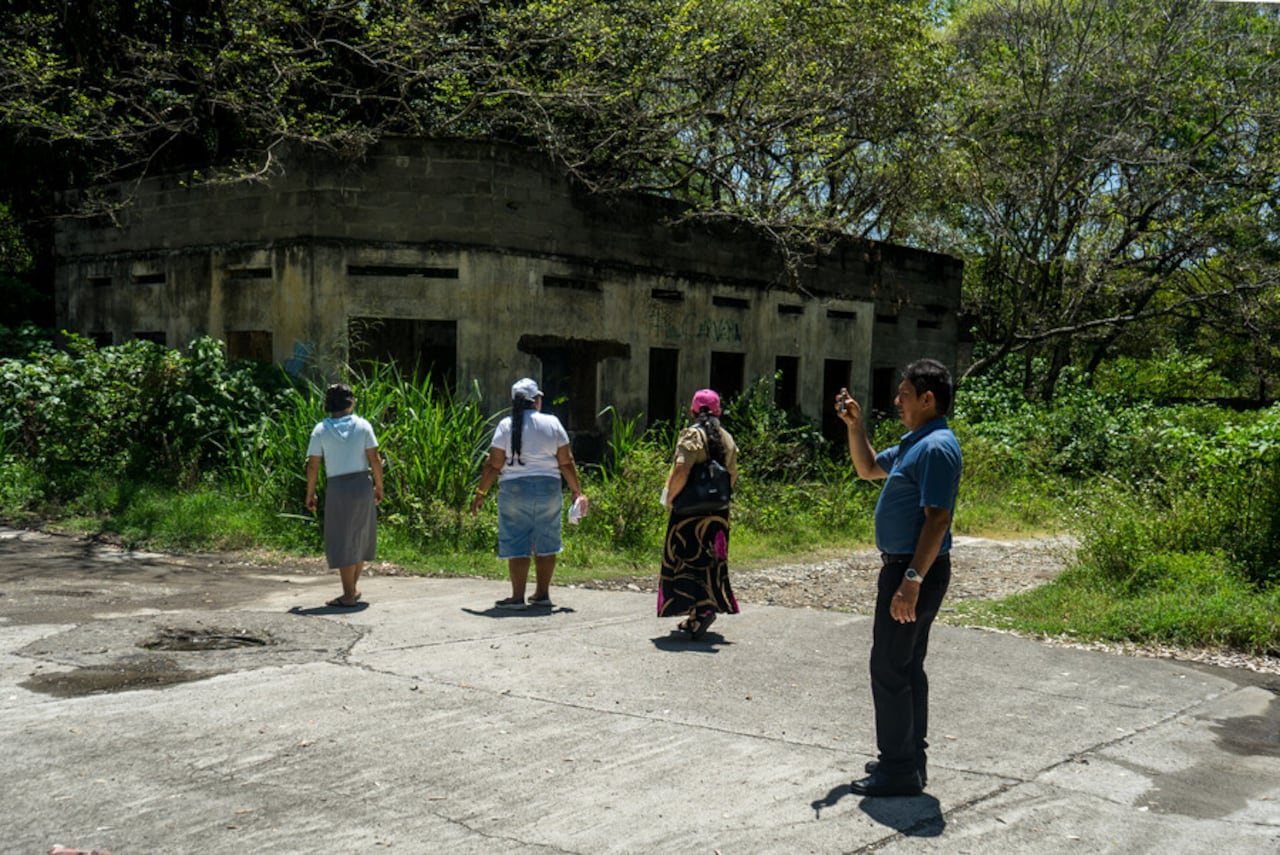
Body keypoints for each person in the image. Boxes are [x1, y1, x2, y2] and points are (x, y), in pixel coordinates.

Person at [835, 358, 962, 797]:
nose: (897, 402)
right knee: (905, 667)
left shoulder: (937, 448)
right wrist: (856, 425)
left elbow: (938, 519)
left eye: (904, 395)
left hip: (914, 569)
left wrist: (911, 580)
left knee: (890, 668)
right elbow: (868, 467)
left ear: (928, 399)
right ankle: (909, 758)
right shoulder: (916, 444)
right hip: (907, 568)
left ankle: (898, 769)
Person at [470, 378, 586, 610]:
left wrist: (481, 492)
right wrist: (576, 491)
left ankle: (517, 598)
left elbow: (493, 464)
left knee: (517, 541)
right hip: (548, 489)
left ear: (514, 402)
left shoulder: (506, 425)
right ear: (536, 401)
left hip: (514, 490)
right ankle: (542, 594)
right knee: (546, 540)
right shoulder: (552, 423)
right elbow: (566, 461)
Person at [657, 389, 741, 639]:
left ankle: (699, 611)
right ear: (719, 412)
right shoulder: (727, 437)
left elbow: (681, 469)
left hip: (689, 513)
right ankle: (699, 612)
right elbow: (732, 475)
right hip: (718, 513)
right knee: (711, 561)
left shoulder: (692, 434)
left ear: (693, 411)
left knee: (684, 558)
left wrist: (669, 497)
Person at [305, 382, 385, 608]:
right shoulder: (363, 426)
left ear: (328, 405)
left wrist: (310, 493)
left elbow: (313, 466)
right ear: (351, 403)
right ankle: (352, 590)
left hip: (338, 488)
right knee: (359, 537)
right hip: (361, 484)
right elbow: (375, 458)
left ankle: (348, 594)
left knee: (342, 539)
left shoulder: (321, 429)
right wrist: (379, 485)